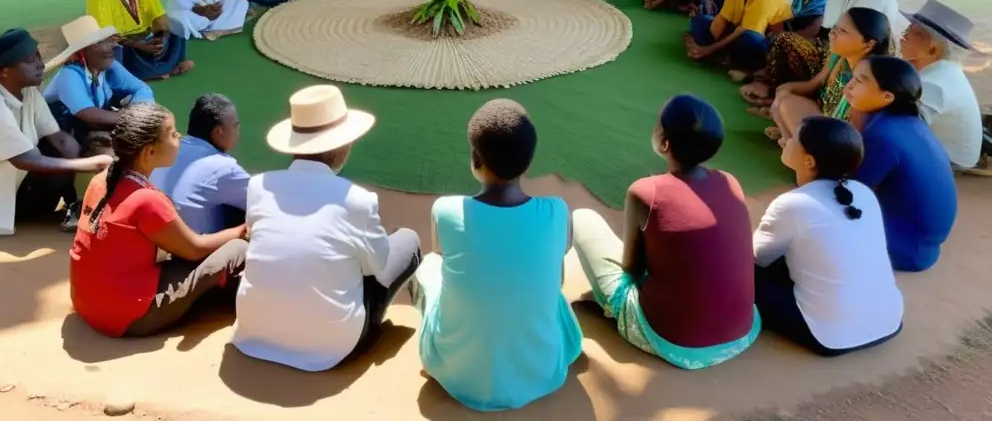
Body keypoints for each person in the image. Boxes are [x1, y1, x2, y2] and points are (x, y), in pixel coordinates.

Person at [232, 85, 420, 371]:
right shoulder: (358, 199)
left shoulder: (258, 186)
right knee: (407, 239)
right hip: (331, 346)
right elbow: (379, 270)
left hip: (254, 329)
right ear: (341, 147)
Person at [410, 100, 582, 410]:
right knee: (551, 284)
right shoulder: (557, 210)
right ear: (528, 162)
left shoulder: (446, 210)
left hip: (456, 374)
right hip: (544, 372)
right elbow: (557, 270)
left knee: (430, 265)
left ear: (476, 160)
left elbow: (440, 253)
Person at [572, 96, 760, 370]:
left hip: (673, 341)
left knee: (582, 219)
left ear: (664, 143)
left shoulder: (645, 191)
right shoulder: (731, 182)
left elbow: (631, 270)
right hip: (741, 333)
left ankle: (613, 309)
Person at [70, 103, 248, 337]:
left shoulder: (101, 180)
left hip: (88, 303)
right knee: (237, 248)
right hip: (129, 317)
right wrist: (241, 231)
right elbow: (194, 249)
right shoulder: (147, 200)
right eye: (173, 134)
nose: (179, 137)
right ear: (150, 152)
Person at [754, 116, 903, 356]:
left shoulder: (792, 204)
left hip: (829, 337)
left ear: (809, 161)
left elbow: (757, 258)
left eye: (793, 138)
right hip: (889, 322)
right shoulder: (864, 193)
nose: (787, 140)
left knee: (745, 273)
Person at [0, 29, 111, 236]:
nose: (40, 64)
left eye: (38, 56)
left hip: (16, 176)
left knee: (60, 147)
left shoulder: (29, 92)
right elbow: (24, 160)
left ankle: (73, 206)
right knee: (17, 160)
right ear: (3, 72)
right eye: (30, 60)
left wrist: (82, 178)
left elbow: (59, 139)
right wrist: (94, 163)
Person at [842, 56, 957, 272]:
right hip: (922, 246)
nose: (850, 85)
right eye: (854, 77)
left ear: (887, 97)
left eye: (860, 80)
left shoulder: (881, 135)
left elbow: (850, 192)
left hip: (903, 248)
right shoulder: (909, 122)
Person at [768, 8, 891, 146]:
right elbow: (815, 83)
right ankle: (793, 141)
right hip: (824, 118)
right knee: (784, 98)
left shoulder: (869, 78)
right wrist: (784, 90)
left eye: (843, 31)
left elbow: (851, 132)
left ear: (869, 44)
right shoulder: (837, 56)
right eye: (835, 27)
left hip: (836, 137)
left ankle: (798, 147)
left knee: (786, 104)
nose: (832, 33)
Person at [740, 0, 833, 106]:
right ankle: (765, 80)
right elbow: (793, 18)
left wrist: (782, 38)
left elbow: (815, 28)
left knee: (781, 41)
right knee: (757, 39)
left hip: (821, 49)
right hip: (800, 38)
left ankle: (776, 94)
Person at [899, 0, 984, 171]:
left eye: (916, 33)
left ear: (934, 49)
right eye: (909, 28)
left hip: (950, 162)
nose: (904, 34)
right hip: (947, 155)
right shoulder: (943, 70)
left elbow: (904, 129)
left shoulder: (934, 83)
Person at [43, 15, 154, 144]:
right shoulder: (69, 75)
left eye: (108, 41)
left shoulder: (110, 66)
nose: (110, 47)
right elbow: (88, 114)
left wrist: (138, 113)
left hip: (91, 125)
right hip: (62, 133)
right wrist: (132, 119)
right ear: (82, 52)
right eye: (100, 42)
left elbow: (142, 89)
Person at [150, 94, 249, 234]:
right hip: (192, 249)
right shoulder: (224, 168)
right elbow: (264, 202)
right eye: (235, 126)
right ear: (218, 131)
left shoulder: (167, 150)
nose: (238, 131)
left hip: (156, 238)